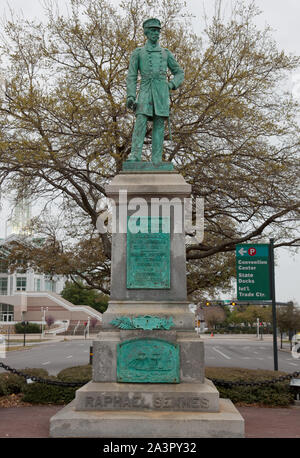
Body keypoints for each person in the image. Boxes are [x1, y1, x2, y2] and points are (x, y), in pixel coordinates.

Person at [126, 18, 184, 164]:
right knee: (140, 122)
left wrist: (171, 85)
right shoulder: (138, 53)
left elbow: (179, 72)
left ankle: (157, 159)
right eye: (152, 30)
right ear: (146, 32)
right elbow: (132, 76)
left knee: (159, 125)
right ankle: (135, 155)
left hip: (161, 93)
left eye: (157, 31)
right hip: (145, 91)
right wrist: (131, 96)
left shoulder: (165, 53)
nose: (155, 33)